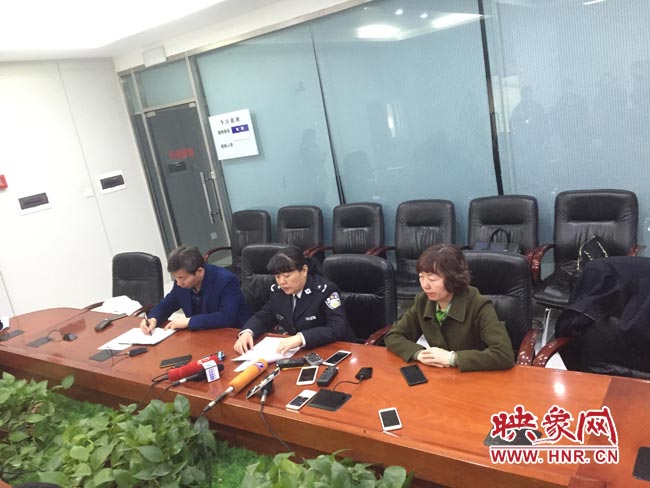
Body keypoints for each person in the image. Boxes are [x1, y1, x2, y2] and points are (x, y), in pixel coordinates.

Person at [385, 244, 514, 372]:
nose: (425, 285)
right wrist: (418, 353)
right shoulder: (423, 301)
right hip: (440, 374)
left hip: (475, 375)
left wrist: (452, 358)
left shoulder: (479, 305)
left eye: (432, 279)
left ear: (453, 278)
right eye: (421, 277)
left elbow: (503, 354)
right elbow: (394, 335)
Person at [234, 246, 356, 355]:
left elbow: (338, 328)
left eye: (287, 276)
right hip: (302, 352)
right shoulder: (278, 291)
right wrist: (248, 332)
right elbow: (264, 316)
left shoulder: (325, 291)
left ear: (304, 270)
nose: (282, 282)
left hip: (337, 349)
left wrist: (301, 338)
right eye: (277, 276)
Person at [140, 245, 251, 333]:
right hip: (201, 335)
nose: (178, 283)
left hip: (232, 333)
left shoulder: (225, 280)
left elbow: (226, 317)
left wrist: (189, 321)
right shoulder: (180, 283)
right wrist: (153, 318)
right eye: (175, 278)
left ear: (199, 271)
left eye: (182, 278)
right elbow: (167, 304)